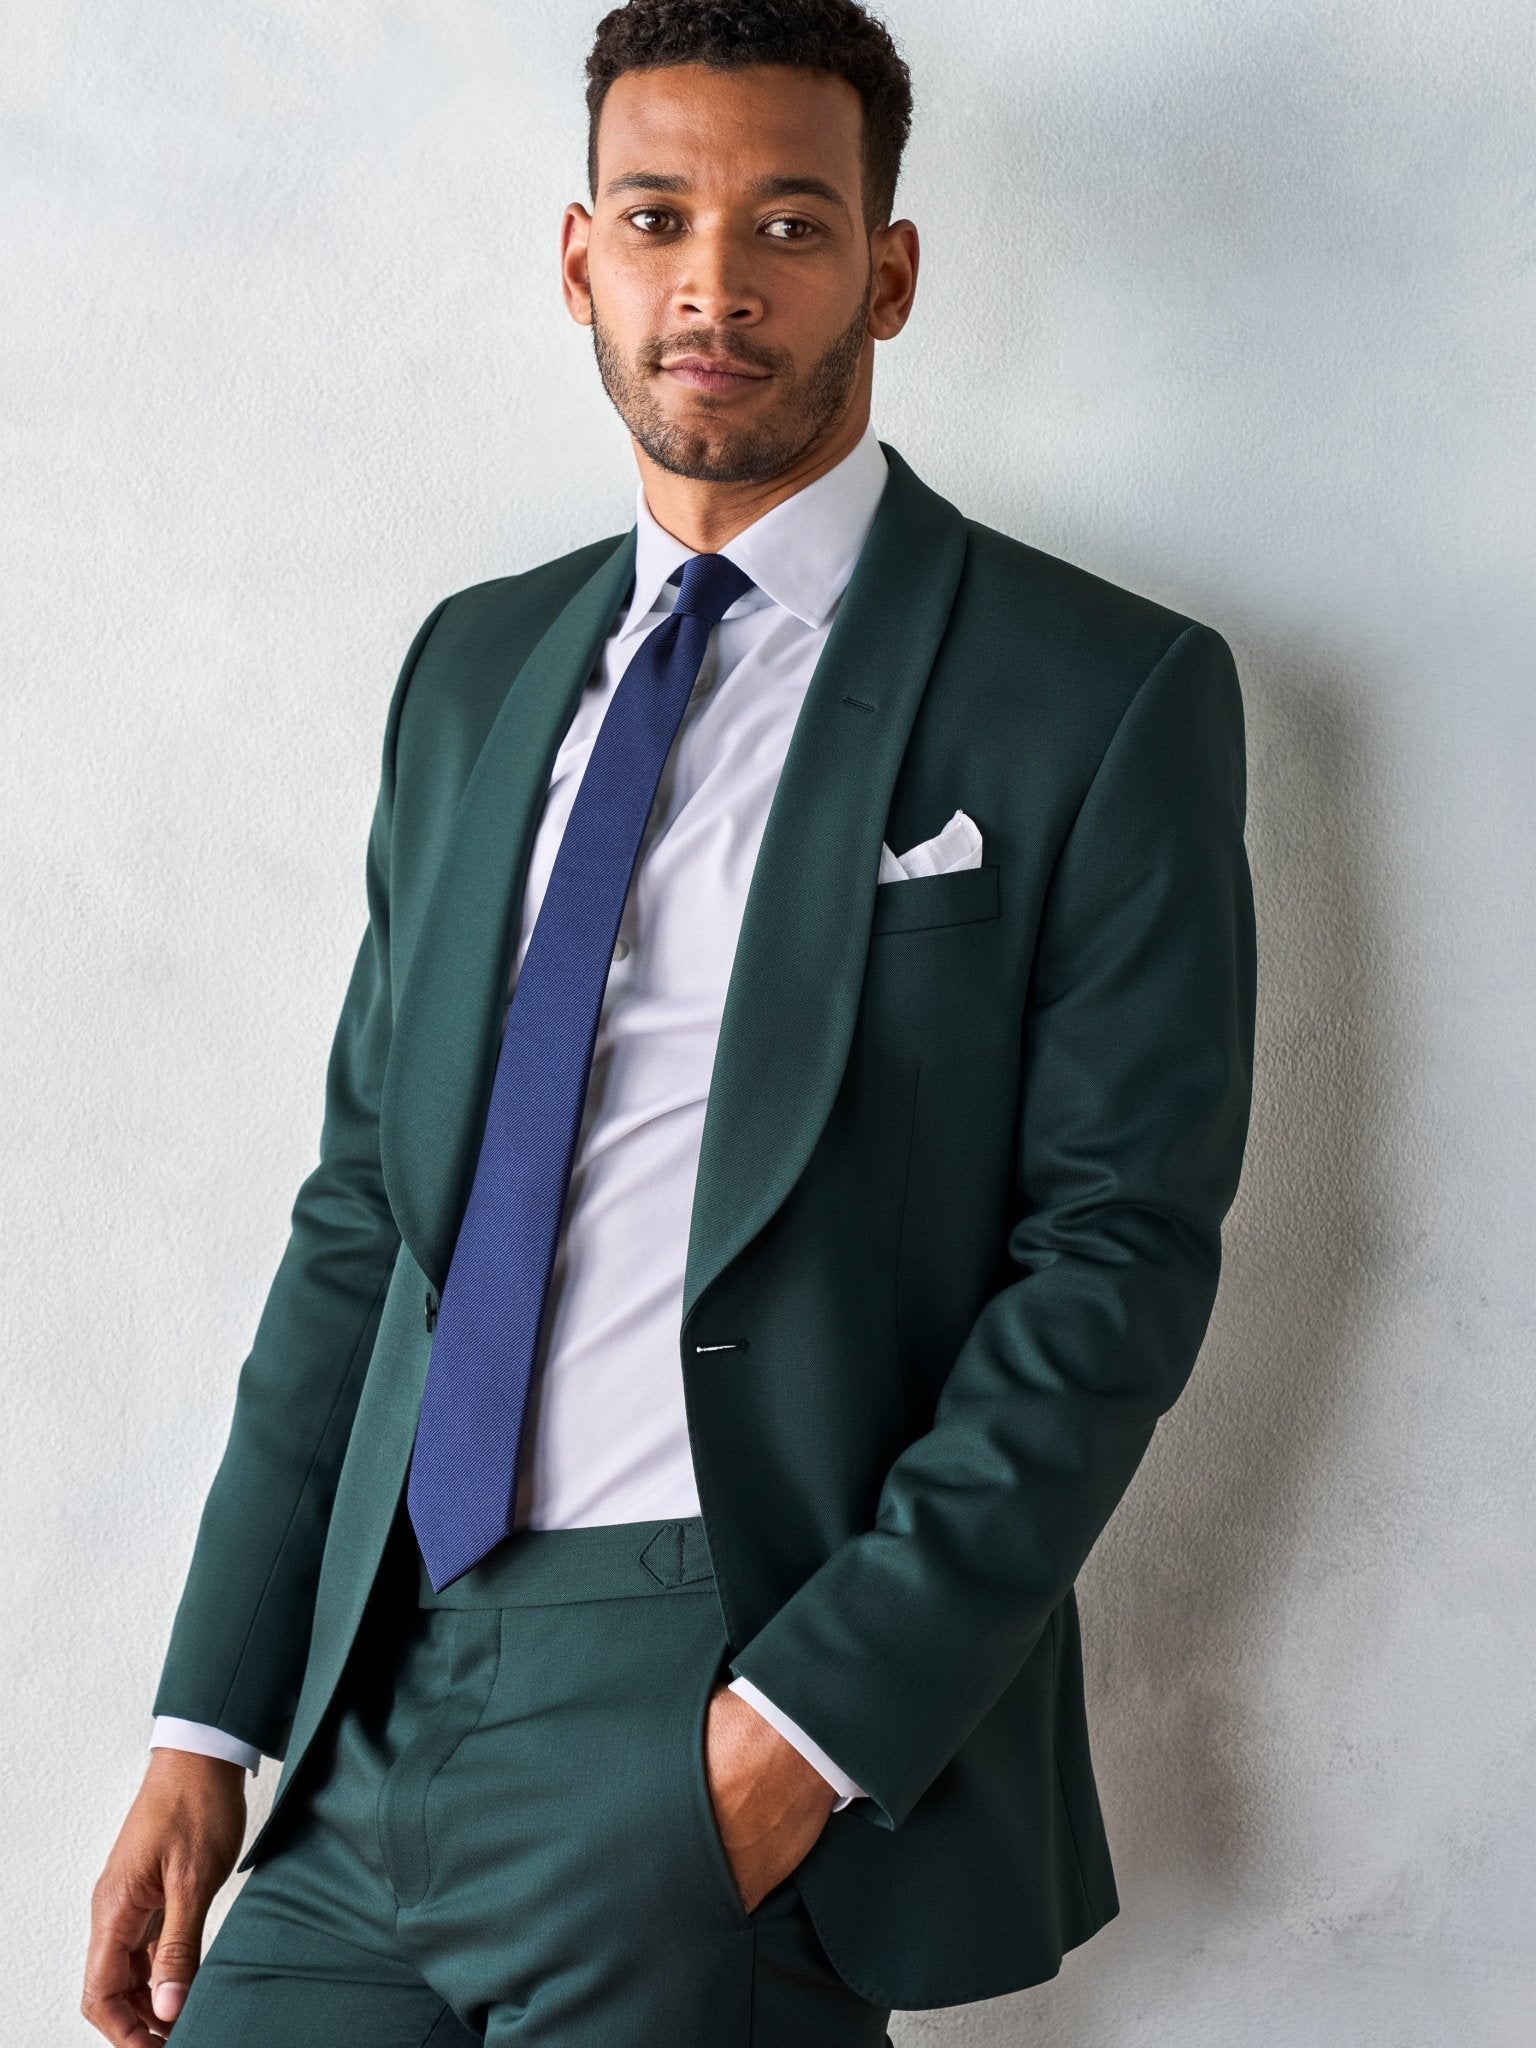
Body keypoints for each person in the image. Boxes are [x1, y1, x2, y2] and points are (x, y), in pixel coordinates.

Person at [82, 2, 1257, 2042]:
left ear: (887, 270)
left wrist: (796, 1733)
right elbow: (369, 1209)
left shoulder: (1094, 691)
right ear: (580, 261)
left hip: (717, 1670)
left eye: (790, 223)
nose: (717, 280)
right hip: (374, 1703)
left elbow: (1116, 1258)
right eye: (660, 216)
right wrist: (213, 1708)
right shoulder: (474, 671)